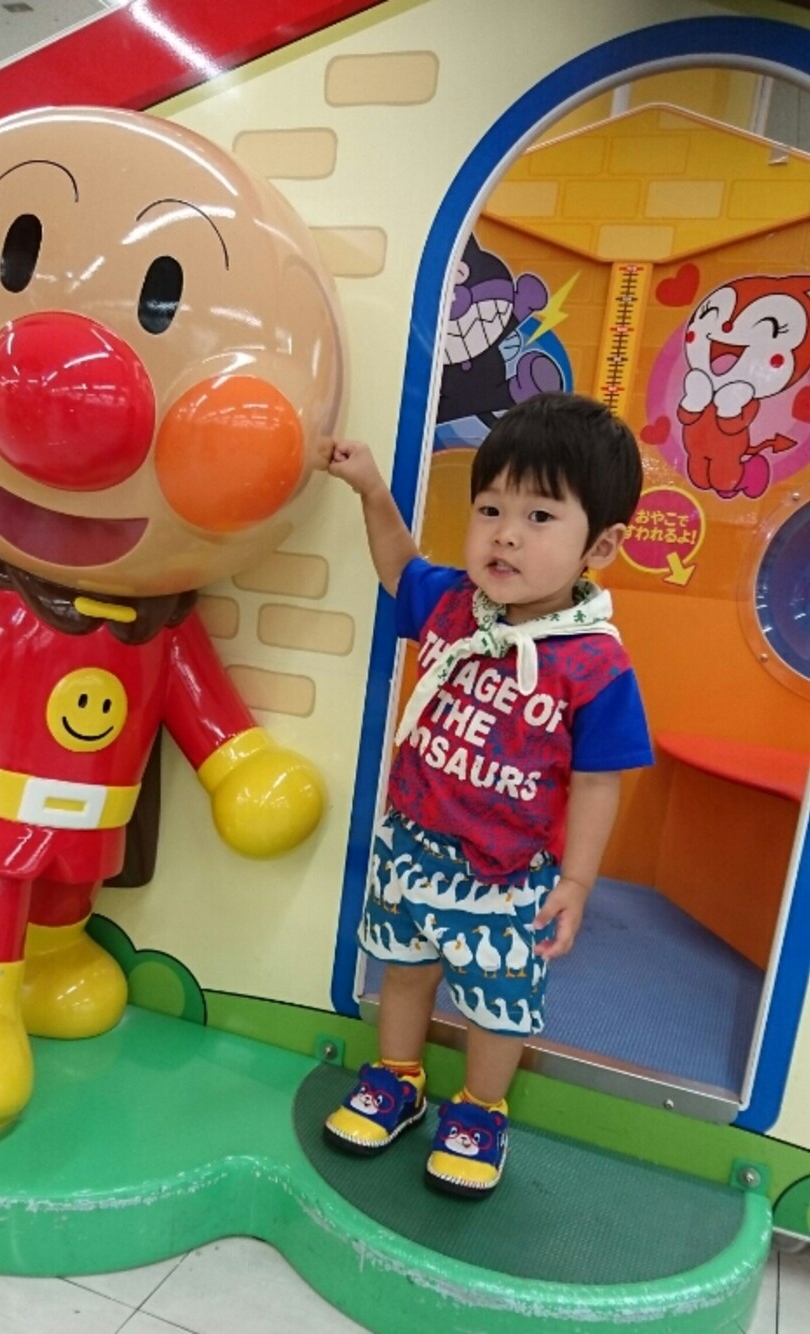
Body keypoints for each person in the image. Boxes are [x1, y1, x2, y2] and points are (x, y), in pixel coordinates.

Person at [325, 391, 653, 1198]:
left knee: (496, 1004)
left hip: (508, 876)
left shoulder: (596, 664)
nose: (505, 533)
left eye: (540, 516)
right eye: (490, 509)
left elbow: (599, 781)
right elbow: (398, 565)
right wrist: (372, 489)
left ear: (600, 545)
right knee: (403, 971)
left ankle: (480, 1109)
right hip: (413, 846)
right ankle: (398, 1077)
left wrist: (577, 882)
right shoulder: (451, 605)